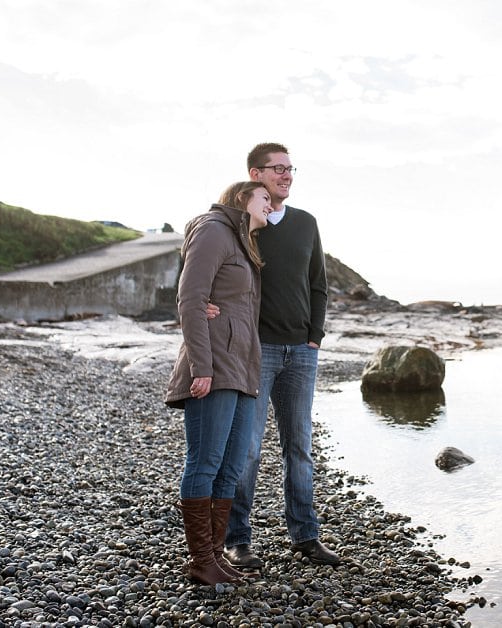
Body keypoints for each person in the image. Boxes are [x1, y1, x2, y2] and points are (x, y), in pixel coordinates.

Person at [223, 142, 339, 569]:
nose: (286, 175)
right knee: (248, 449)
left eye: (291, 169)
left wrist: (315, 336)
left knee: (300, 446)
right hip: (257, 351)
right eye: (278, 169)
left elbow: (318, 284)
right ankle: (237, 540)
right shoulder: (242, 223)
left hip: (301, 353)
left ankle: (305, 536)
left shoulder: (306, 223)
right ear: (256, 174)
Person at [165, 181, 271, 584]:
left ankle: (214, 556)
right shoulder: (213, 229)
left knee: (230, 467)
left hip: (241, 368)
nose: (270, 204)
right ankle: (200, 562)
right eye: (264, 197)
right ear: (243, 198)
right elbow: (190, 297)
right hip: (215, 364)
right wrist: (202, 366)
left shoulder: (242, 241)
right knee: (205, 462)